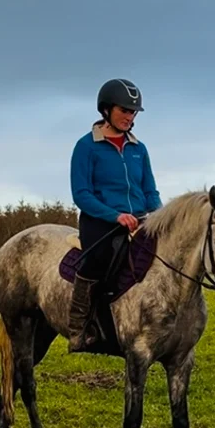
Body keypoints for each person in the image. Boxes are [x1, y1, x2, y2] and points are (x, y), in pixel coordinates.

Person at [67, 78, 162, 353]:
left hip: (141, 221)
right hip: (100, 222)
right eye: (124, 110)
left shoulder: (139, 149)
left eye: (133, 112)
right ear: (106, 109)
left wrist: (158, 215)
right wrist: (116, 216)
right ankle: (80, 327)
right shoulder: (86, 146)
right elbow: (81, 194)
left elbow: (150, 190)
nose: (129, 117)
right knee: (96, 261)